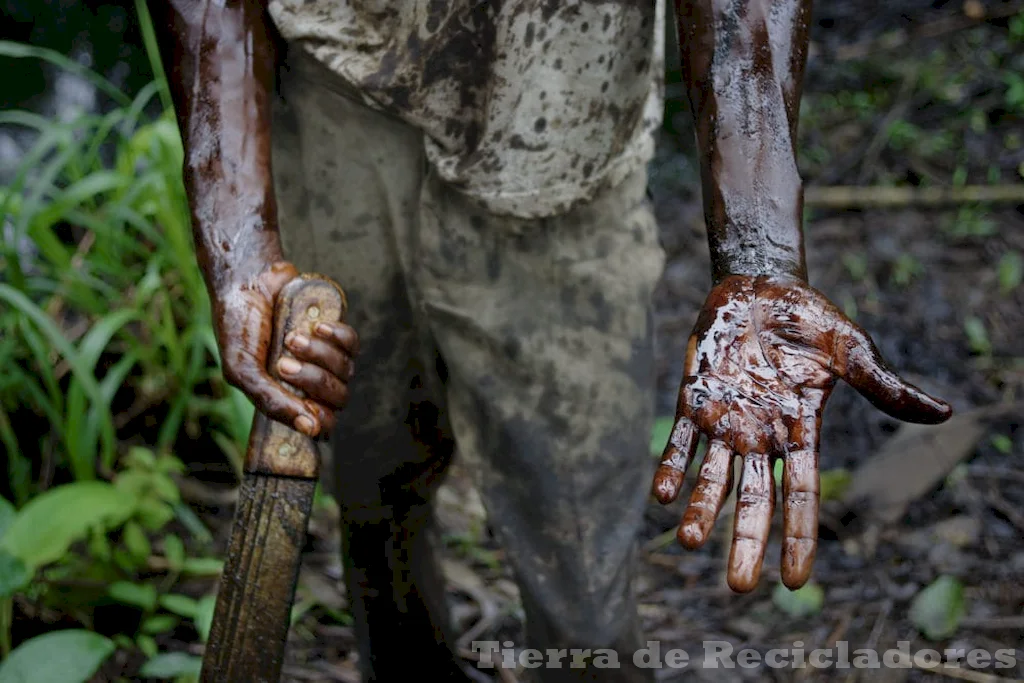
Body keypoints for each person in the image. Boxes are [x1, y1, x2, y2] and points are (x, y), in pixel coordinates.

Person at [151, 1, 953, 680]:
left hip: (563, 117)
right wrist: (238, 237)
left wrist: (758, 252)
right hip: (338, 79)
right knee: (371, 475)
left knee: (581, 566)